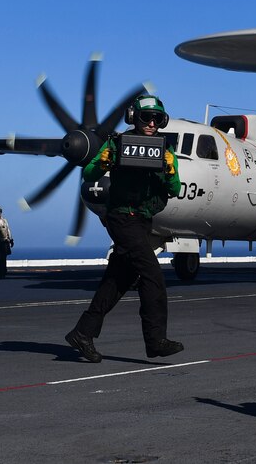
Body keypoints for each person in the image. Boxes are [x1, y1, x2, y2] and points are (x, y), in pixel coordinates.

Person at [65, 94, 183, 363]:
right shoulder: (117, 144)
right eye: (146, 117)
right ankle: (155, 341)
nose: (151, 123)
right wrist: (104, 160)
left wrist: (170, 170)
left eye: (157, 118)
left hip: (143, 220)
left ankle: (82, 333)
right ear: (134, 118)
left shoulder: (166, 149)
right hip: (121, 218)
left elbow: (174, 189)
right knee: (153, 276)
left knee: (118, 280)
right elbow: (89, 174)